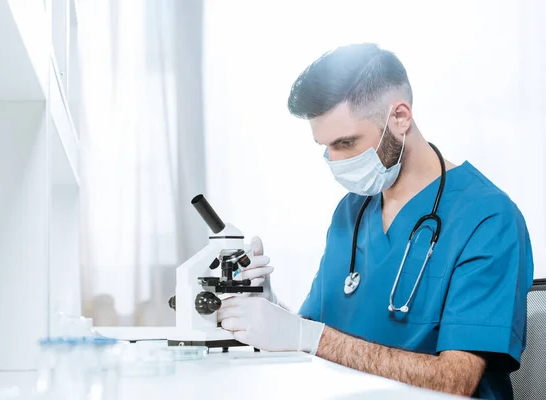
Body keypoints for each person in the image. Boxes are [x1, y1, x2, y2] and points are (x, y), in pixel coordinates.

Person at [217, 43, 534, 399]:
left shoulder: (488, 219)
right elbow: (320, 335)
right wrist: (273, 312)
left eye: (346, 143)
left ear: (400, 118)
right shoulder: (351, 212)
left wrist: (306, 336)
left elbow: (455, 382)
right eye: (326, 148)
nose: (335, 162)